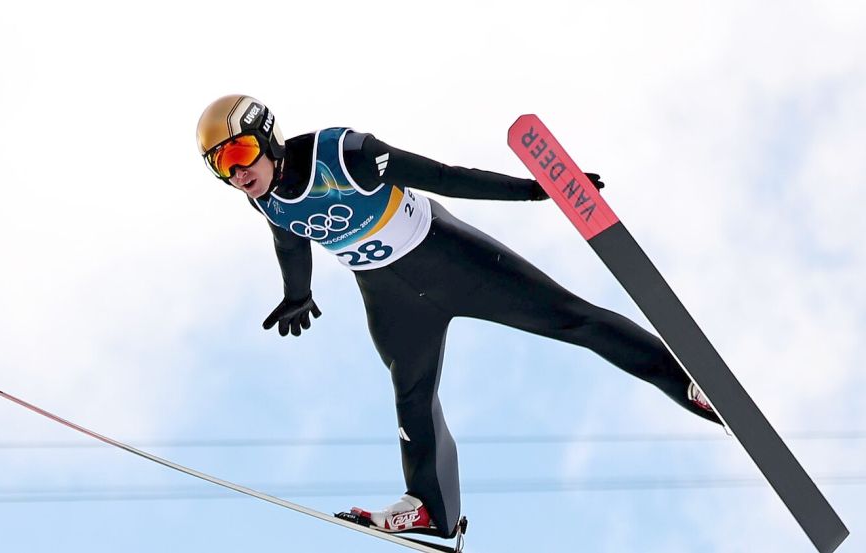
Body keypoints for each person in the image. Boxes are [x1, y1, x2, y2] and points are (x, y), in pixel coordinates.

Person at [195, 94, 719, 540]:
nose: (238, 172)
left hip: (447, 258)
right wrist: (297, 293)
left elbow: (445, 177)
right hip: (389, 295)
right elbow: (288, 239)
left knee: (570, 319)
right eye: (221, 166)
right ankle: (431, 512)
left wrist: (534, 188)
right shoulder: (263, 198)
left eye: (240, 152)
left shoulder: (345, 153)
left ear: (268, 136)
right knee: (412, 396)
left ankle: (687, 383)